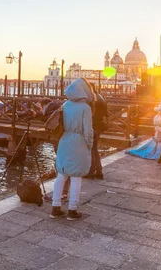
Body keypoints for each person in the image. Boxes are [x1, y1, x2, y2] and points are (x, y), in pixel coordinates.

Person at [50, 78, 95, 221]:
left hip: (64, 140)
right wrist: (89, 145)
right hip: (79, 142)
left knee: (61, 174)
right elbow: (88, 131)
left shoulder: (65, 105)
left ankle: (55, 207)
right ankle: (72, 210)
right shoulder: (85, 108)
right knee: (76, 177)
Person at [85, 85, 107, 180]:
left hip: (93, 126)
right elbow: (106, 113)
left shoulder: (92, 99)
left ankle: (91, 171)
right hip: (99, 126)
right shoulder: (101, 97)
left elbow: (89, 114)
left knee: (91, 149)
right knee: (94, 149)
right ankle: (98, 171)